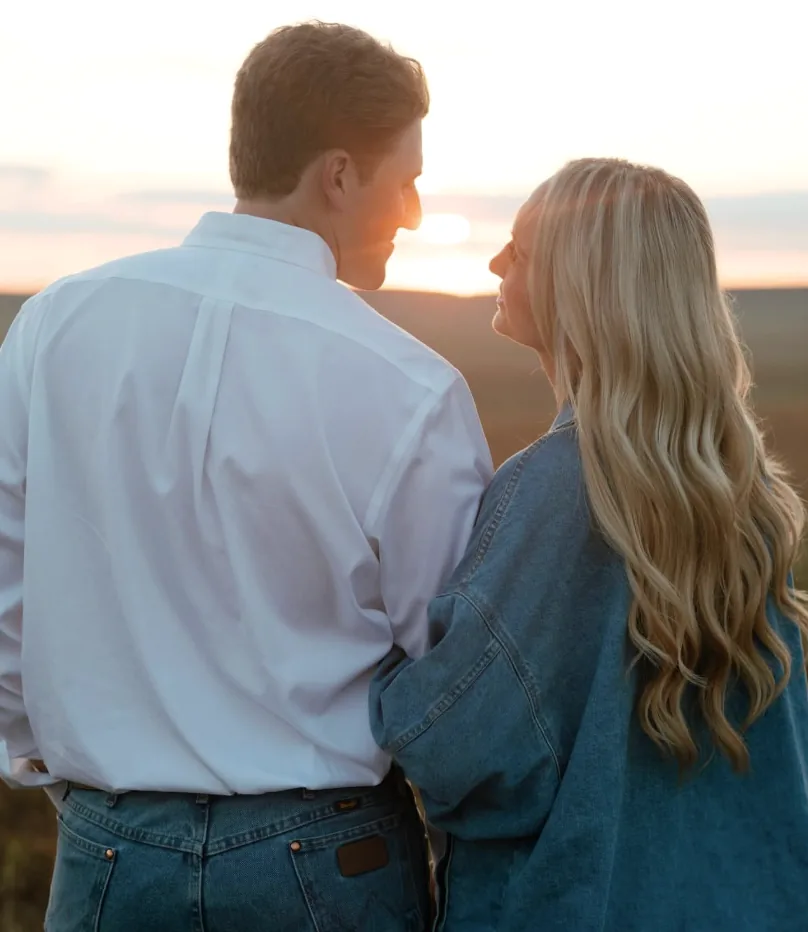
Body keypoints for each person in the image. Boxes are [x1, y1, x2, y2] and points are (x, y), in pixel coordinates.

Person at [0, 22, 492, 931]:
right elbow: (451, 675)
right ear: (339, 176)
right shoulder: (412, 387)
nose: (418, 211)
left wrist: (66, 773)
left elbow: (4, 588)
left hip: (108, 855)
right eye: (407, 179)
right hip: (331, 864)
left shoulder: (52, 326)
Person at [370, 157, 808, 931]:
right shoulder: (748, 491)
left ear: (588, 287)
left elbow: (459, 749)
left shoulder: (555, 489)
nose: (496, 263)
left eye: (523, 251)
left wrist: (377, 651)